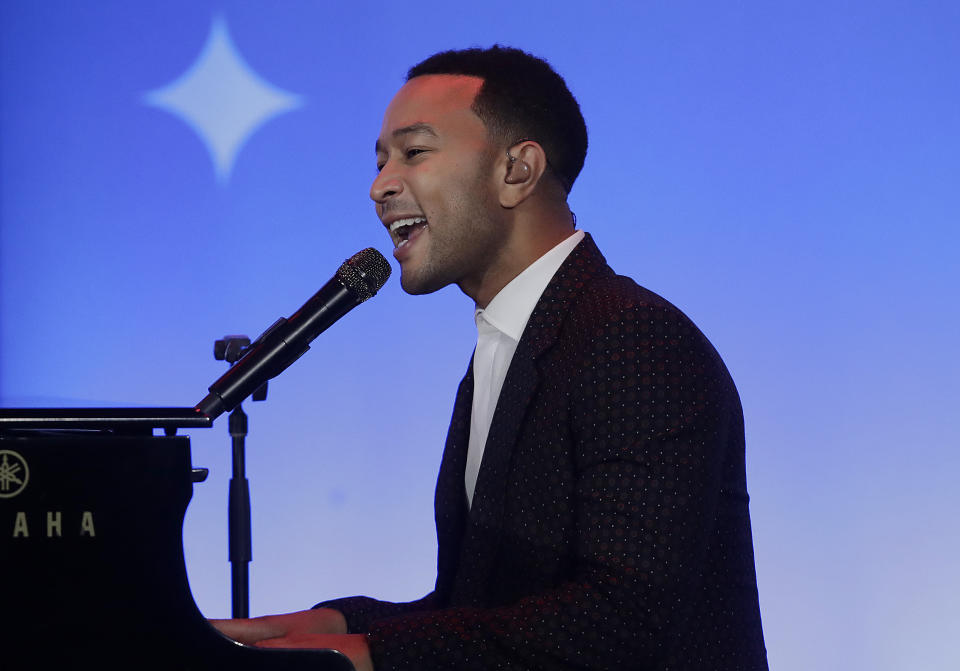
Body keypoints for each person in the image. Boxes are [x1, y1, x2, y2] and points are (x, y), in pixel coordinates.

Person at [213, 45, 768, 670]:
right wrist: (335, 622)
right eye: (379, 161)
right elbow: (480, 608)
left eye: (414, 152)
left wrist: (369, 655)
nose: (379, 186)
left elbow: (619, 624)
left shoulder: (636, 341)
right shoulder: (510, 346)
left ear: (518, 170)